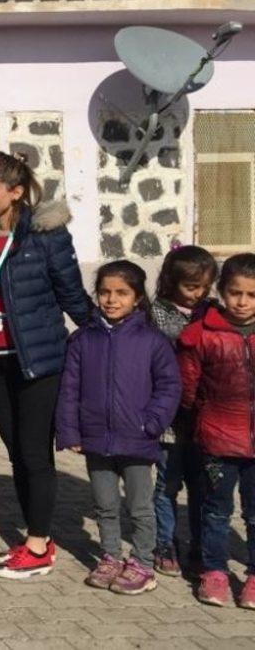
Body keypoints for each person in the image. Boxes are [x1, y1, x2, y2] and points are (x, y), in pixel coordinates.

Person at [0, 151, 91, 579]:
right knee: (16, 454)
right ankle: (36, 537)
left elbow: (72, 295)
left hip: (38, 361)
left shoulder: (46, 236)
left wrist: (105, 336)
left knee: (35, 454)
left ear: (15, 192)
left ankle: (38, 545)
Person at [56, 261, 180, 595]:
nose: (111, 300)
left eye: (122, 293)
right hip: (96, 440)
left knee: (140, 507)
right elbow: (69, 389)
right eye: (105, 292)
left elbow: (169, 387)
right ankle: (110, 556)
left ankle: (142, 563)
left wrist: (151, 423)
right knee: (105, 505)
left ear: (137, 298)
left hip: (138, 439)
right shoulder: (83, 340)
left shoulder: (153, 341)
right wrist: (70, 431)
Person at [180, 253, 255, 608]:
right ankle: (214, 572)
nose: (242, 302)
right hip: (218, 438)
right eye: (235, 292)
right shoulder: (202, 334)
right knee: (216, 510)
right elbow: (188, 387)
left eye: (251, 295)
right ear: (222, 291)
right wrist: (200, 420)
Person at [150, 245, 217, 577]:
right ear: (171, 281)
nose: (198, 293)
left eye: (205, 286)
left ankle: (200, 546)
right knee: (168, 484)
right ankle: (165, 542)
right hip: (170, 417)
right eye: (191, 286)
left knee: (201, 485)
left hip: (205, 417)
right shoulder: (155, 315)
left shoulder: (213, 312)